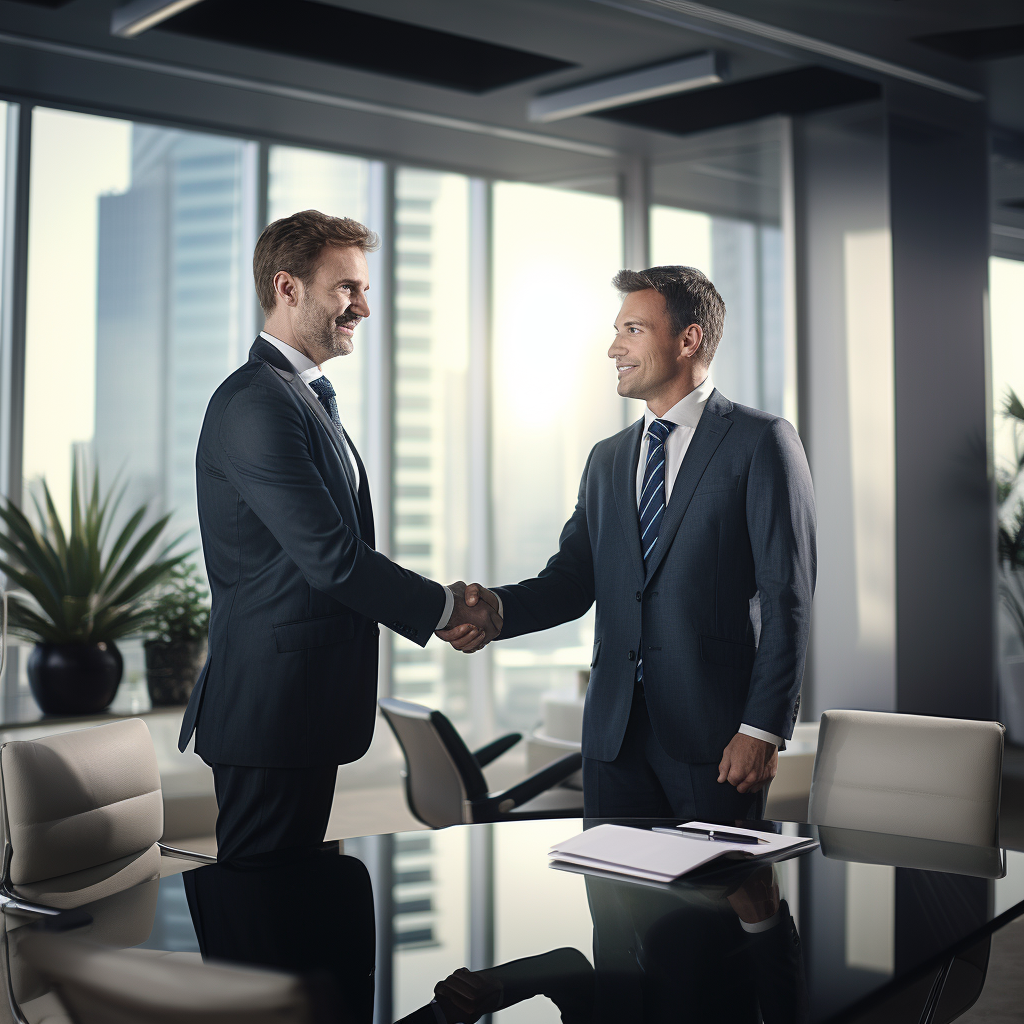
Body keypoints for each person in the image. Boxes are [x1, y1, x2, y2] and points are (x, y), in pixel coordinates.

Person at [178, 210, 501, 859]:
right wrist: (443, 607)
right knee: (262, 923)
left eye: (365, 290)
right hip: (269, 716)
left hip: (301, 711)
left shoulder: (301, 396)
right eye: (346, 288)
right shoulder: (256, 402)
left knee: (295, 913)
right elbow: (331, 558)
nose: (362, 307)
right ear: (287, 286)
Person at [440, 265, 815, 820]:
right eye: (617, 331)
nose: (614, 348)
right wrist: (494, 610)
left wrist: (761, 728)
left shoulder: (761, 442)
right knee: (619, 902)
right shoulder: (608, 458)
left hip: (715, 741)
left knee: (714, 901)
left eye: (633, 330)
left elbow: (787, 597)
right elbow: (570, 581)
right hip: (612, 739)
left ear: (689, 339)